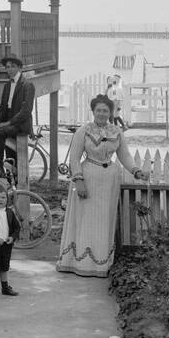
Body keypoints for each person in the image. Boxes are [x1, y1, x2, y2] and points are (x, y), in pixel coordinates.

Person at [57, 95, 147, 278]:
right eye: (98, 110)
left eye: (105, 110)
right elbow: (74, 158)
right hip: (88, 177)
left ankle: (100, 265)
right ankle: (80, 262)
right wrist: (79, 180)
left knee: (104, 220)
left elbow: (125, 156)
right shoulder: (83, 131)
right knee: (85, 220)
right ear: (93, 111)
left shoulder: (117, 132)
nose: (101, 113)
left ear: (110, 112)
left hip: (109, 181)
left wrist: (136, 171)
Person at [0, 53, 35, 181]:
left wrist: (8, 123)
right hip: (9, 122)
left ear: (19, 68)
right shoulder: (7, 86)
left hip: (20, 123)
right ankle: (11, 179)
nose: (9, 69)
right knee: (9, 152)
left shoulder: (27, 85)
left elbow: (26, 111)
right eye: (7, 67)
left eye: (12, 66)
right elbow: (2, 108)